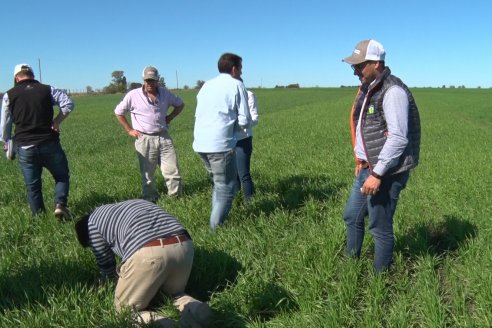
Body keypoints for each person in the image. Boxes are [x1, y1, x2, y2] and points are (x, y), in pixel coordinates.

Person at [341, 39, 421, 272]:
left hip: (386, 172)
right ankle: (351, 264)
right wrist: (362, 161)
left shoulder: (392, 91)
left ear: (376, 63)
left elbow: (398, 138)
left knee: (379, 227)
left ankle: (380, 277)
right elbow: (365, 127)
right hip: (368, 168)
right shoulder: (369, 88)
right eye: (353, 66)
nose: (355, 71)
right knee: (351, 216)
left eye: (359, 65)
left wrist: (376, 173)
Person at [75, 199, 212, 327]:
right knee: (173, 295)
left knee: (125, 312)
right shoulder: (124, 207)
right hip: (184, 245)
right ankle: (198, 309)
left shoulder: (92, 224)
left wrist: (106, 281)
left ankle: (164, 324)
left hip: (149, 252)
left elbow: (106, 263)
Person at [0, 63, 74, 218]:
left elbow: (5, 124)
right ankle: (60, 204)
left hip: (25, 147)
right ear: (32, 74)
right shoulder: (48, 89)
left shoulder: (9, 95)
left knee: (33, 186)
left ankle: (39, 218)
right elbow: (68, 104)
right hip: (49, 143)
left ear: (16, 77)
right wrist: (57, 121)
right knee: (61, 176)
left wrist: (6, 142)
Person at [192, 53, 251, 229]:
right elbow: (245, 119)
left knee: (218, 184)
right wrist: (238, 129)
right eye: (240, 68)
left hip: (200, 144)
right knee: (227, 189)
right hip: (221, 144)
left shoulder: (207, 85)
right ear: (234, 69)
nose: (241, 71)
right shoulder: (237, 84)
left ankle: (214, 221)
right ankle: (214, 230)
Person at [115, 66, 184, 202]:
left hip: (164, 136)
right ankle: (150, 199)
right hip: (144, 138)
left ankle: (175, 198)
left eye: (152, 81)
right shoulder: (133, 95)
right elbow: (118, 112)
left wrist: (169, 117)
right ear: (143, 80)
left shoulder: (165, 93)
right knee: (147, 174)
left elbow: (180, 104)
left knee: (172, 170)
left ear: (157, 80)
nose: (149, 84)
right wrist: (129, 130)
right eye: (147, 81)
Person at [235, 84, 259, 201]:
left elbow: (255, 118)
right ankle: (237, 200)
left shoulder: (249, 95)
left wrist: (240, 125)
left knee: (243, 174)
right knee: (233, 174)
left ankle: (250, 203)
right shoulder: (227, 96)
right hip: (227, 140)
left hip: (243, 139)